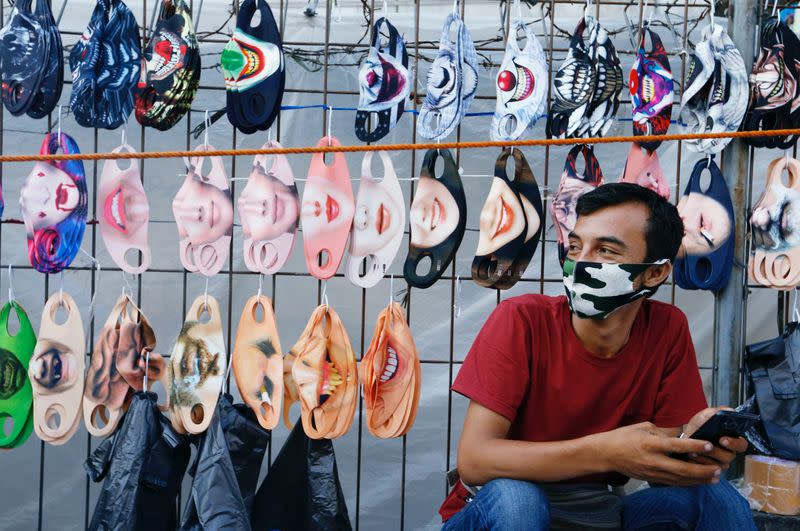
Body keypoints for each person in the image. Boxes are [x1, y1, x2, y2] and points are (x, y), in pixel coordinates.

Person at [441, 183, 755, 530]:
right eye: (575, 246)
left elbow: (659, 464)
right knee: (519, 501)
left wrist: (693, 448)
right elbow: (474, 460)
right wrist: (605, 451)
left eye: (606, 251)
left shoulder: (667, 329)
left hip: (599, 512)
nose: (580, 263)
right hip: (498, 508)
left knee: (715, 496)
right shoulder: (521, 319)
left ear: (655, 273)